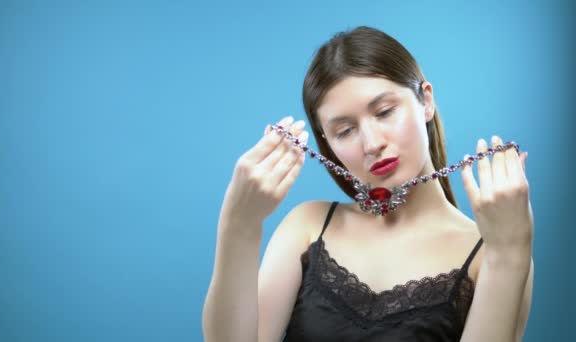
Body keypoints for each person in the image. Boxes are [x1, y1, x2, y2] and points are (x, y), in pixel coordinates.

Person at [202, 26, 534, 342]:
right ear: (327, 144)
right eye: (345, 131)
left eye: (385, 111)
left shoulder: (489, 252)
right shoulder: (307, 227)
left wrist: (510, 252)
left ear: (425, 101)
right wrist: (239, 225)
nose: (371, 143)